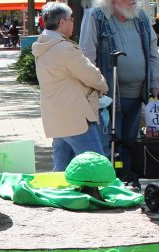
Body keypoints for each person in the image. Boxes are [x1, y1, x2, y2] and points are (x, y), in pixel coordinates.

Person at [79, 0, 159, 171]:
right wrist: (94, 88)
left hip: (138, 93)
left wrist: (155, 83)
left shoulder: (141, 18)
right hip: (109, 96)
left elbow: (153, 52)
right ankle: (112, 181)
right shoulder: (96, 17)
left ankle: (129, 179)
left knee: (131, 142)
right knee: (111, 144)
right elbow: (87, 56)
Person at [35, 2, 109, 171]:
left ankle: (60, 197)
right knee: (96, 166)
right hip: (76, 118)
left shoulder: (43, 46)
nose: (73, 22)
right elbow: (91, 75)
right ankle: (97, 196)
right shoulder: (64, 49)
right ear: (62, 22)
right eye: (71, 19)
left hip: (57, 117)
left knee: (62, 170)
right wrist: (102, 86)